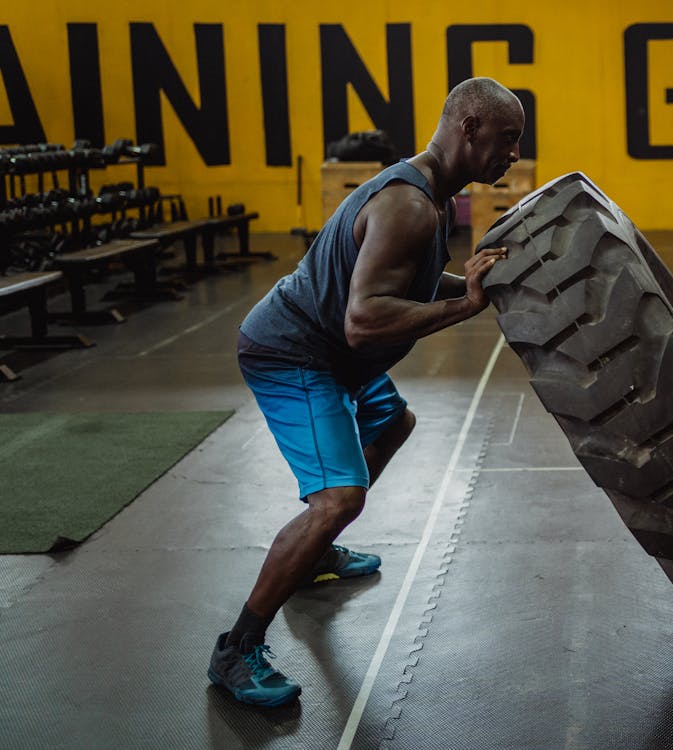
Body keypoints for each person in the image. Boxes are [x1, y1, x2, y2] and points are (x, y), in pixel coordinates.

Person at [207, 77, 524, 707]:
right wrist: (464, 307)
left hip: (332, 351)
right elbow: (365, 320)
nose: (513, 154)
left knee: (392, 424)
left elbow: (407, 280)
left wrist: (480, 283)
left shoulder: (431, 195)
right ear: (468, 128)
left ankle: (314, 555)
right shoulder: (410, 206)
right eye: (507, 138)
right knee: (338, 499)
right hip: (294, 352)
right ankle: (236, 649)